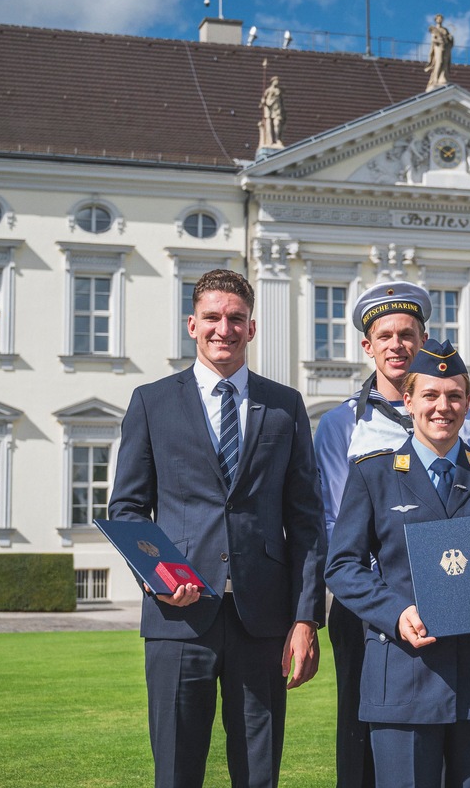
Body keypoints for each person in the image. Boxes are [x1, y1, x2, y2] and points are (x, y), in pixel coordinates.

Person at [109, 269, 325, 788]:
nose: (222, 328)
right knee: (178, 768)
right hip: (178, 617)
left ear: (251, 328)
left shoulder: (285, 405)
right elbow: (128, 507)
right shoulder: (152, 402)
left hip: (264, 619)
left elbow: (306, 519)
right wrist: (160, 576)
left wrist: (305, 618)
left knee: (258, 772)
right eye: (212, 317)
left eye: (235, 319)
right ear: (192, 324)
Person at [325, 339, 470, 787]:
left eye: (455, 395)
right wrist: (395, 613)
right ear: (409, 400)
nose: (444, 407)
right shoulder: (373, 473)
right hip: (404, 673)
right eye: (431, 395)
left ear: (468, 401)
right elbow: (343, 566)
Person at [314, 281, 470, 788]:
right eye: (384, 336)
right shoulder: (341, 424)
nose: (397, 345)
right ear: (367, 346)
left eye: (407, 334)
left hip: (452, 597)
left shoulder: (467, 421)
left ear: (423, 338)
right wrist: (392, 602)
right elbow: (332, 521)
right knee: (364, 732)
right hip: (372, 606)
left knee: (453, 730)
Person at [425, 13, 453, 91]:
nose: (440, 20)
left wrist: (450, 38)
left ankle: (442, 77)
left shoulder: (445, 30)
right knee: (439, 61)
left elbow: (449, 40)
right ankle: (435, 79)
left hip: (445, 47)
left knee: (445, 62)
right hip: (438, 47)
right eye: (438, 18)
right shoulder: (434, 29)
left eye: (441, 18)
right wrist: (439, 41)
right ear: (436, 20)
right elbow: (433, 39)